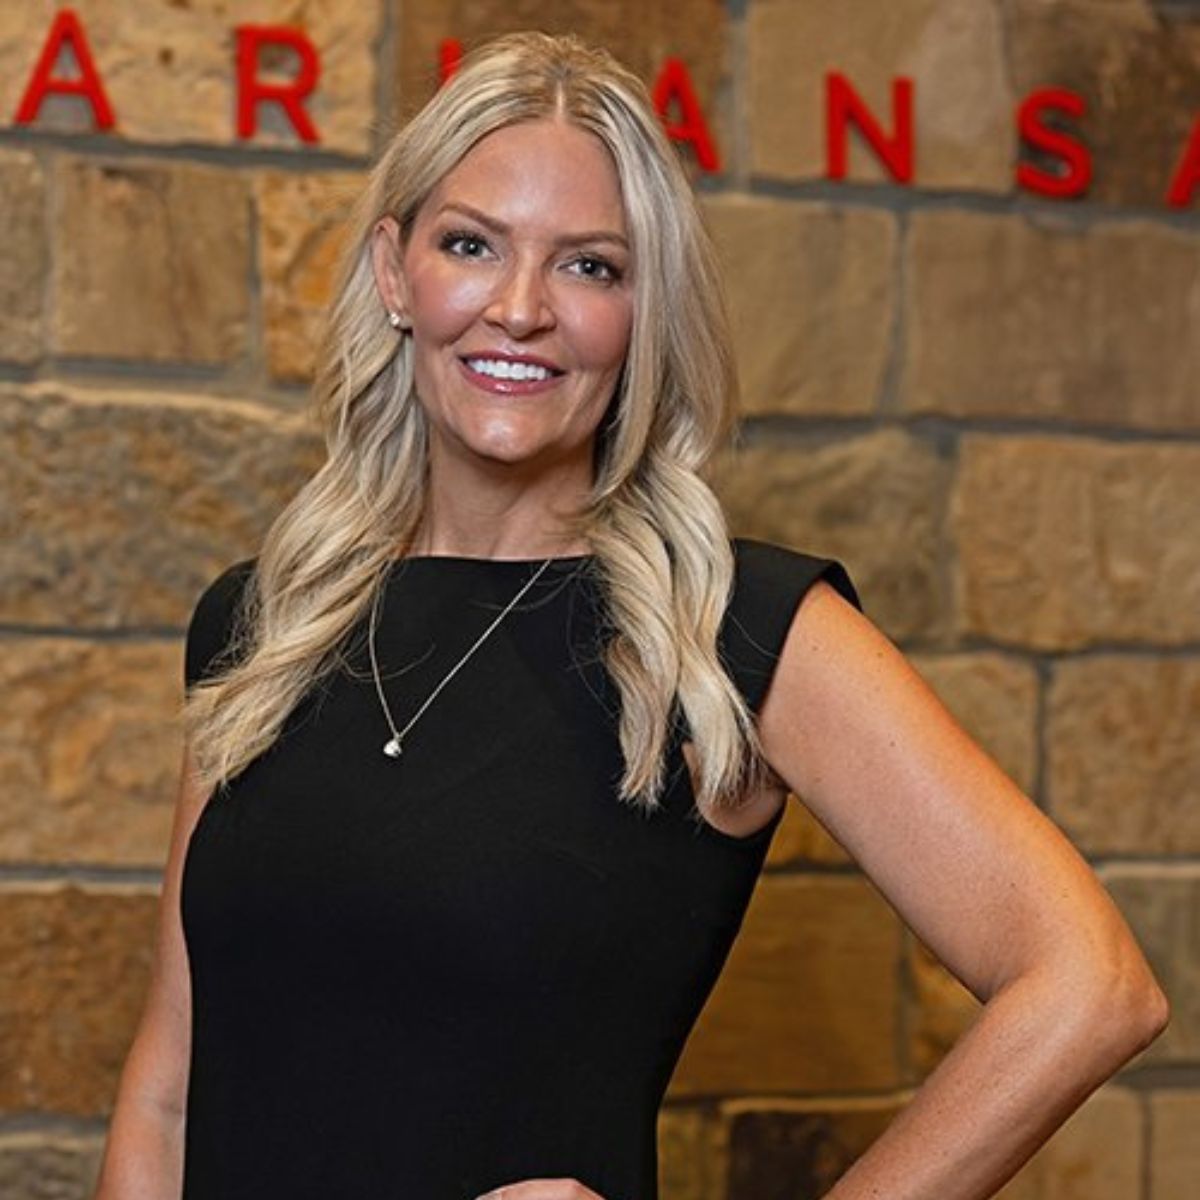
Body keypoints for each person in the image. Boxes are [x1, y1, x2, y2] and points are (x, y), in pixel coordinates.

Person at [93, 30, 1167, 1200]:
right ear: (396, 273)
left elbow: (1087, 983)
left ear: (645, 308)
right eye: (471, 245)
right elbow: (168, 1085)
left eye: (589, 267)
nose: (519, 309)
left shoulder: (726, 628)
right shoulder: (262, 617)